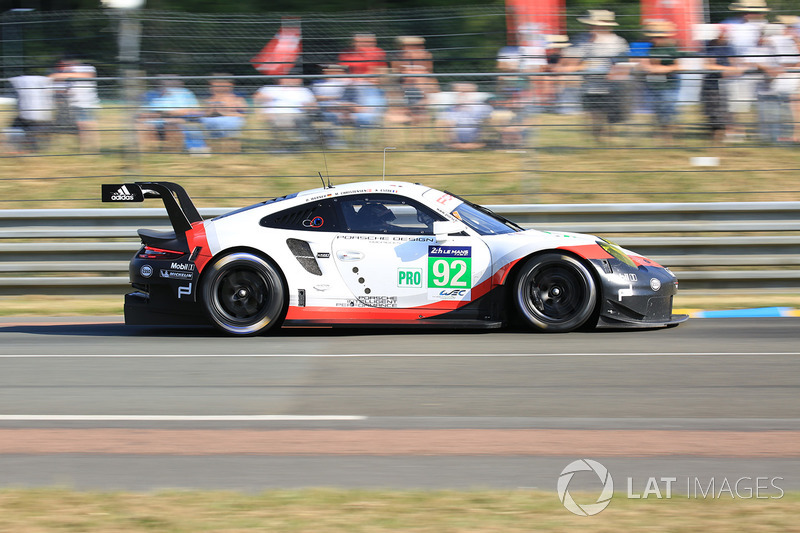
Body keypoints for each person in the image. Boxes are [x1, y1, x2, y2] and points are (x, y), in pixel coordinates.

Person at [563, 10, 632, 140]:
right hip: (589, 86)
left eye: (593, 24)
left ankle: (608, 139)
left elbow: (623, 64)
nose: (590, 27)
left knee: (609, 115)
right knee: (594, 114)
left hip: (611, 86)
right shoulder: (581, 40)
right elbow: (570, 59)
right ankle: (598, 139)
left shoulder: (618, 42)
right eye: (590, 24)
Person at [638, 20, 684, 139]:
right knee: (658, 110)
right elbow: (645, 67)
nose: (653, 40)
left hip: (669, 86)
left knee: (667, 109)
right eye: (652, 37)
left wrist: (658, 69)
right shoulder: (649, 49)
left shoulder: (672, 49)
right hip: (655, 85)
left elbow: (679, 66)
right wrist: (666, 69)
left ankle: (668, 134)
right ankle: (662, 133)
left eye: (656, 37)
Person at [138, 77, 209, 154]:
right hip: (157, 121)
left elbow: (194, 111)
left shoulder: (184, 93)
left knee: (188, 124)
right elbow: (143, 114)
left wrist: (169, 114)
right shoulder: (151, 95)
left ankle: (197, 149)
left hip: (178, 120)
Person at [701, 27, 745, 142]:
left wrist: (731, 69)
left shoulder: (729, 47)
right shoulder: (708, 46)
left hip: (726, 83)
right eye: (721, 35)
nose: (723, 37)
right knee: (713, 111)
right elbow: (708, 65)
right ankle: (716, 135)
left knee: (728, 109)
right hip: (712, 84)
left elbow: (735, 63)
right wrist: (728, 69)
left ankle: (726, 134)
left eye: (725, 35)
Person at [49, 57, 100, 152]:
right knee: (82, 126)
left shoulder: (85, 69)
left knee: (88, 126)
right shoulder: (71, 73)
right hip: (77, 104)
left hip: (86, 103)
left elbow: (87, 76)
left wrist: (56, 75)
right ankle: (85, 148)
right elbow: (64, 87)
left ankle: (92, 149)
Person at [254, 77, 318, 145]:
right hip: (276, 114)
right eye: (290, 78)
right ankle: (298, 141)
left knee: (300, 119)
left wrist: (308, 106)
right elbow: (256, 98)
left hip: (298, 114)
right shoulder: (269, 88)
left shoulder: (304, 90)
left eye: (296, 78)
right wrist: (264, 101)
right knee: (293, 120)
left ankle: (304, 140)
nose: (294, 80)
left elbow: (314, 105)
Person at [200, 75, 248, 152]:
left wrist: (224, 113)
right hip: (211, 122)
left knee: (230, 126)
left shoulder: (237, 99)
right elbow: (204, 114)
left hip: (231, 121)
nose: (218, 87)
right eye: (215, 85)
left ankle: (231, 150)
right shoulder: (209, 100)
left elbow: (243, 114)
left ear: (230, 86)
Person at [7, 75, 54, 152]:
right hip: (41, 114)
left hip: (31, 115)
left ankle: (24, 148)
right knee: (24, 129)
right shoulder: (43, 82)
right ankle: (29, 147)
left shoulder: (22, 81)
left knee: (25, 129)